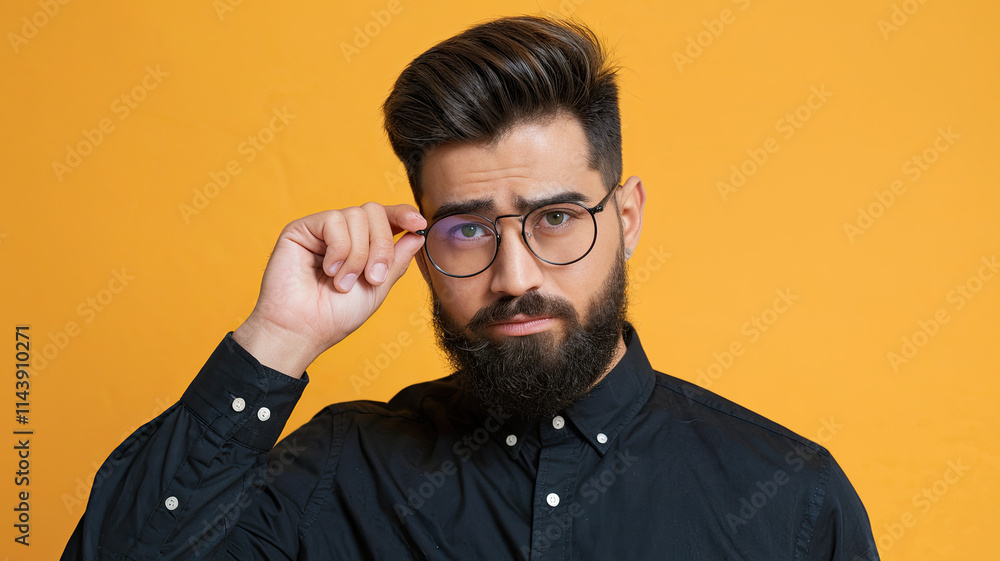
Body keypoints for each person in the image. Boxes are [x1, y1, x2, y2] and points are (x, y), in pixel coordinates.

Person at [62, 15, 879, 560]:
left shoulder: (790, 498)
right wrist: (276, 339)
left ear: (626, 215)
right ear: (416, 242)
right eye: (468, 229)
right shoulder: (338, 473)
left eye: (556, 217)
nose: (514, 276)